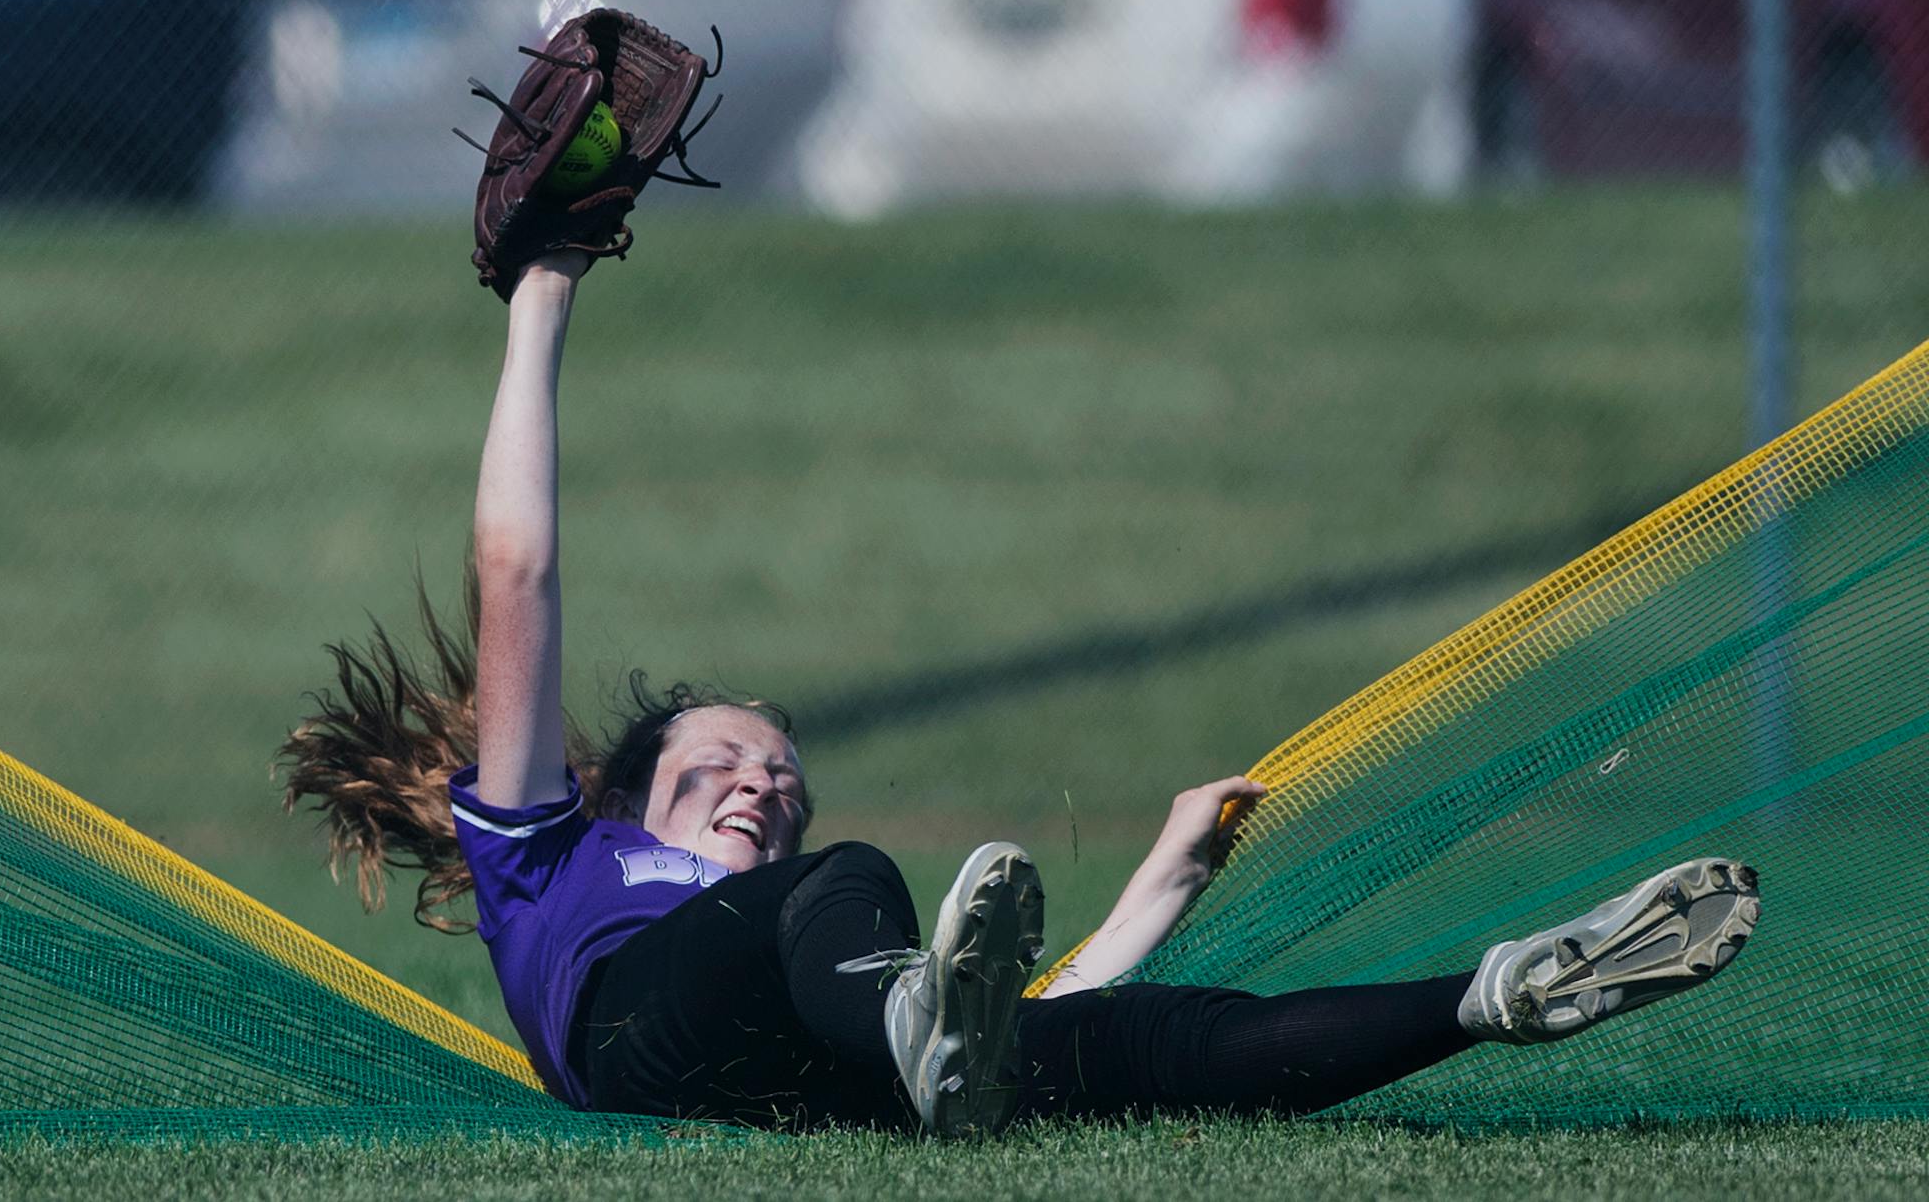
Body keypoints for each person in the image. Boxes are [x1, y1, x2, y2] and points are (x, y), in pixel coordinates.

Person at [278, 252, 1761, 1135]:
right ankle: (917, 1024)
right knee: (854, 892)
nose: (766, 782)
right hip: (650, 1040)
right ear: (621, 790)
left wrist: (1160, 889)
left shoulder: (829, 949)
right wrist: (542, 295)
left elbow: (1006, 1029)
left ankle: (1495, 995)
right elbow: (516, 572)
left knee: (1140, 1049)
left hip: (834, 1067)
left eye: (783, 775)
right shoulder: (549, 858)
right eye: (726, 759)